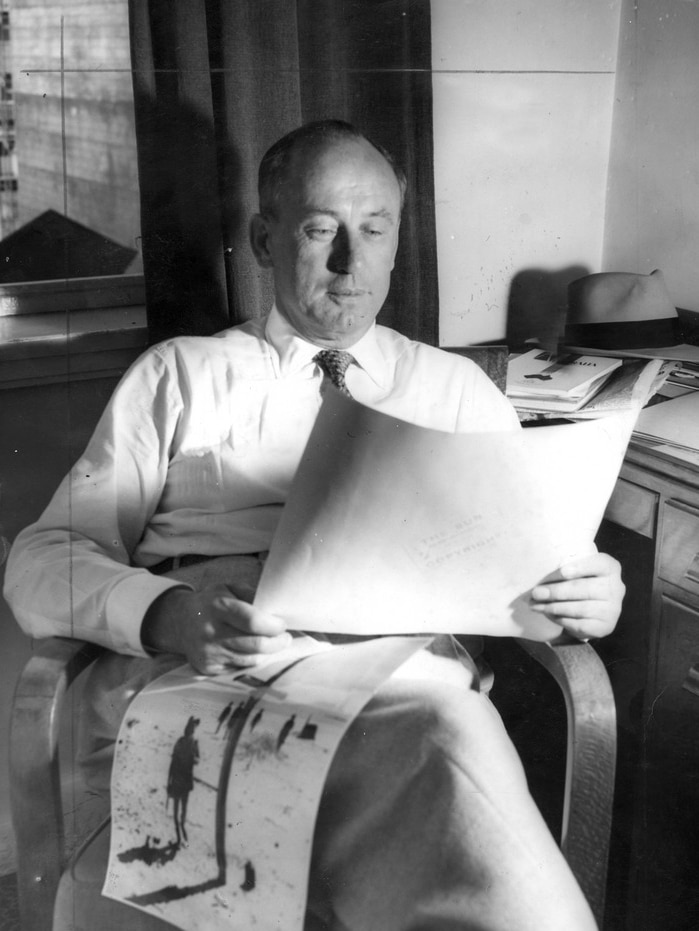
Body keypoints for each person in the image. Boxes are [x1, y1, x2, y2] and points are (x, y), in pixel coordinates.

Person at [5, 119, 624, 931]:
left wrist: (587, 592)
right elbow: (46, 559)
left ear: (398, 241)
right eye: (319, 229)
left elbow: (532, 568)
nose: (350, 261)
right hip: (205, 683)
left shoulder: (454, 390)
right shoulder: (181, 373)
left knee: (453, 733)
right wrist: (170, 614)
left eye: (374, 230)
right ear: (264, 240)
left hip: (401, 702)